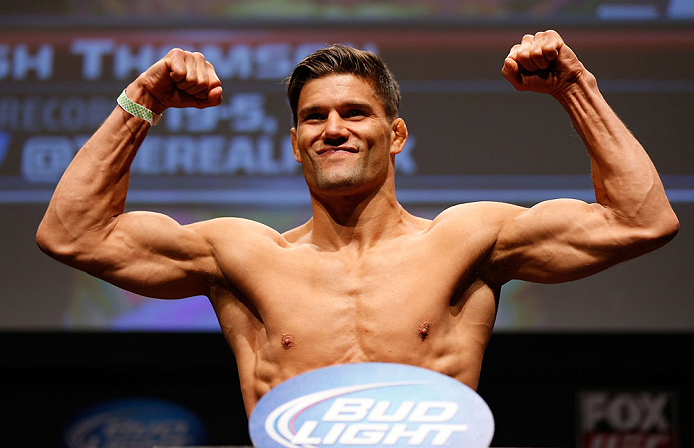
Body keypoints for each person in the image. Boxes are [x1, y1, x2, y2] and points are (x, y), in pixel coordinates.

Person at [36, 30, 678, 416]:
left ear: (396, 135)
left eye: (355, 113)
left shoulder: (466, 240)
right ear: (294, 142)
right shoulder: (240, 255)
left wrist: (576, 87)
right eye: (314, 118)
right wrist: (140, 102)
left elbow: (640, 221)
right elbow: (73, 234)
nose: (334, 130)